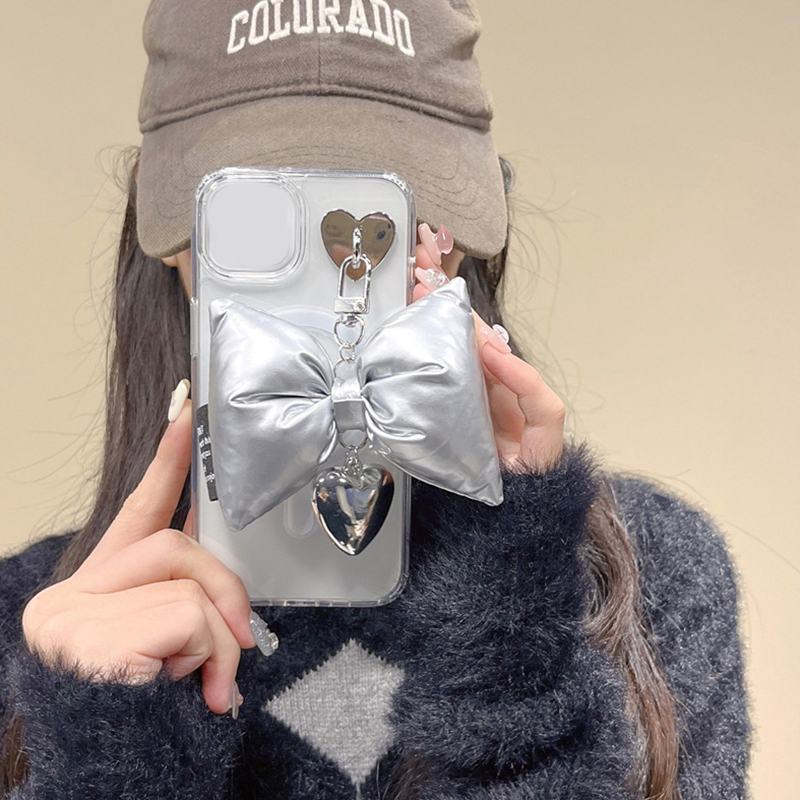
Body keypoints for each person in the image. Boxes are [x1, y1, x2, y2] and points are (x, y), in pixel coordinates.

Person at [0, 1, 749, 798]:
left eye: (385, 211)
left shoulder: (648, 580)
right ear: (173, 242)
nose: (336, 283)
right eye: (258, 225)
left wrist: (508, 631)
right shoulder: (38, 636)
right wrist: (109, 752)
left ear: (461, 235)